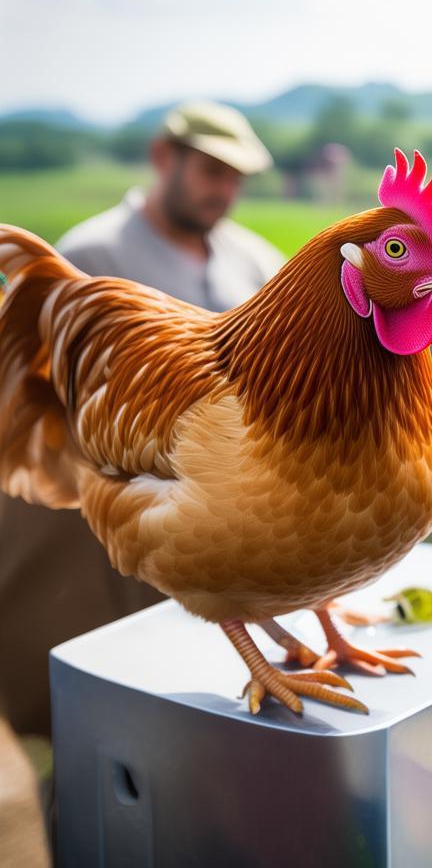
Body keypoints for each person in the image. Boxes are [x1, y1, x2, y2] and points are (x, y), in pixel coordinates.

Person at [0, 100, 285, 738]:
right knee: (99, 678)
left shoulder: (253, 258)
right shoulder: (97, 251)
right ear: (165, 159)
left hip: (210, 499)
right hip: (111, 488)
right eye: (211, 170)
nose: (224, 189)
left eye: (235, 177)